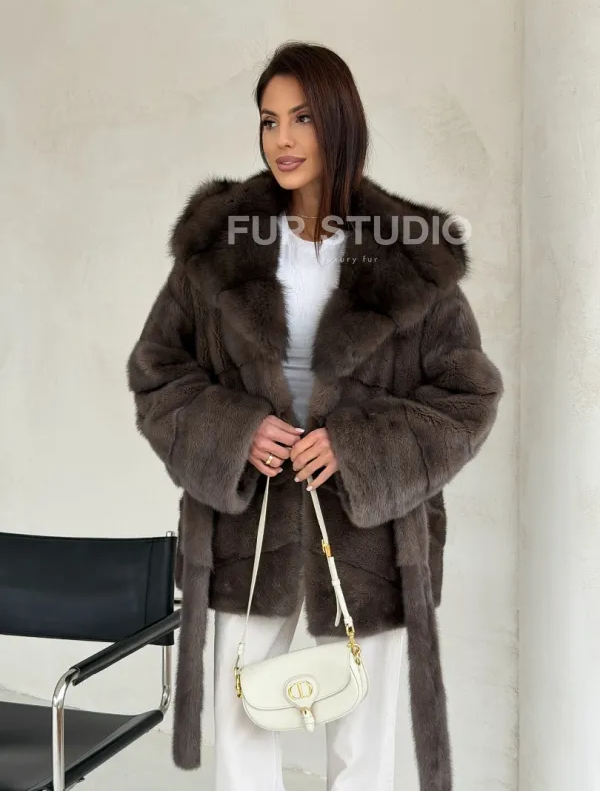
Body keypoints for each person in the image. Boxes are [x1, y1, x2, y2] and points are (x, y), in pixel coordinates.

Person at [126, 41, 503, 791]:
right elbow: (157, 372)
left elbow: (468, 396)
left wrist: (357, 447)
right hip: (247, 524)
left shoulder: (409, 254)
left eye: (301, 118)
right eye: (269, 121)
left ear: (340, 122)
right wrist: (236, 431)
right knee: (243, 732)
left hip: (371, 530)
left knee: (362, 751)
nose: (283, 139)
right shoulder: (217, 246)